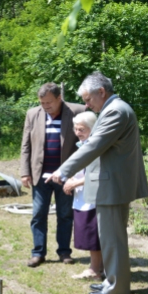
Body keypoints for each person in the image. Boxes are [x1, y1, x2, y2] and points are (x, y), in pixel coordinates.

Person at [46, 72, 148, 294]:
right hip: (112, 184)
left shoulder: (115, 111)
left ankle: (117, 288)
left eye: (88, 99)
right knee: (110, 239)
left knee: (113, 240)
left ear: (101, 92)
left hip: (112, 186)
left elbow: (93, 146)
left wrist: (63, 171)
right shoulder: (113, 109)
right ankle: (111, 282)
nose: (86, 104)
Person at [20, 82, 86, 267]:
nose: (45, 106)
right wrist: (25, 172)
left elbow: (87, 140)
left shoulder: (76, 112)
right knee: (38, 214)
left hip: (66, 176)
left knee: (65, 214)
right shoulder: (32, 114)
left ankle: (64, 252)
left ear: (59, 98)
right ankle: (38, 253)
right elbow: (26, 145)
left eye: (49, 102)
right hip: (39, 175)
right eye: (42, 103)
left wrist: (76, 173)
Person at [63, 111, 104, 281]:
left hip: (93, 197)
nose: (78, 133)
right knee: (88, 233)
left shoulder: (96, 147)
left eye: (82, 129)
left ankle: (96, 269)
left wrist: (75, 183)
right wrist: (71, 178)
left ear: (92, 129)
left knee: (93, 234)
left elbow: (97, 173)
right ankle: (96, 268)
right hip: (82, 196)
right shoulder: (82, 146)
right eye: (76, 129)